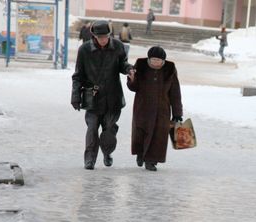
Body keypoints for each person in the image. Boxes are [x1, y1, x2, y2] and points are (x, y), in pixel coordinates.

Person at [71, 20, 134, 170]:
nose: (104, 40)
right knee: (92, 129)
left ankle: (107, 152)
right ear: (94, 36)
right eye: (100, 37)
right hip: (92, 96)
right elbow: (78, 75)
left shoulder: (117, 46)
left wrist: (129, 69)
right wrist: (75, 96)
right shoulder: (84, 50)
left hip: (113, 97)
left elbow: (122, 64)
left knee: (109, 129)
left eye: (106, 36)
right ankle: (90, 160)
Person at [126, 46, 183, 172]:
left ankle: (151, 161)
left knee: (158, 136)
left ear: (163, 61)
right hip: (142, 108)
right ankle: (140, 154)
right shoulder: (140, 67)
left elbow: (175, 93)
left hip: (162, 110)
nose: (156, 62)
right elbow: (133, 87)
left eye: (159, 60)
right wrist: (132, 80)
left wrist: (177, 113)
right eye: (153, 60)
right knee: (141, 133)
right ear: (149, 59)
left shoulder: (169, 70)